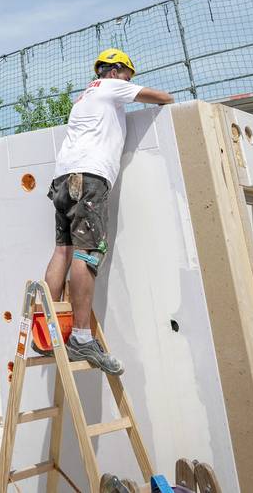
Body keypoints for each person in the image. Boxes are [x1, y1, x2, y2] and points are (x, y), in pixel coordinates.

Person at [42, 49, 173, 375]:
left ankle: (47, 331)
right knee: (88, 254)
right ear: (115, 70)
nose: (131, 80)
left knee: (63, 251)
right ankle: (82, 338)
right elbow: (162, 98)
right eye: (129, 74)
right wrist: (147, 93)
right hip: (90, 177)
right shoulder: (110, 86)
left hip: (63, 179)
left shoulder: (83, 98)